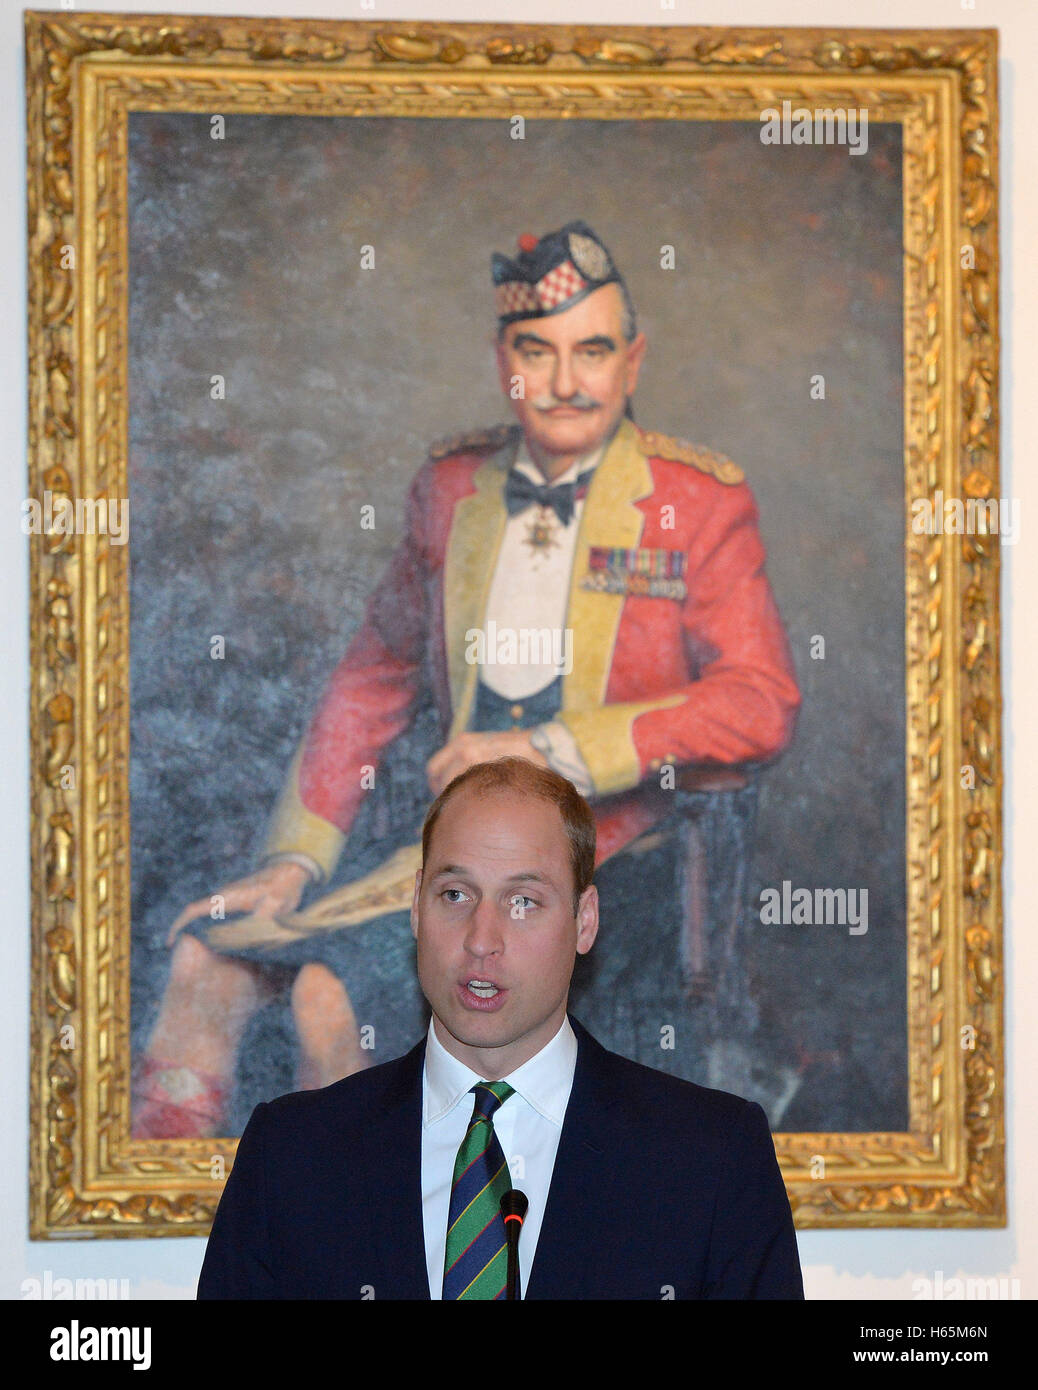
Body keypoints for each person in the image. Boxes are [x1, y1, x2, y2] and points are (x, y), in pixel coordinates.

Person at [135, 220, 800, 1138]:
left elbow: (759, 701)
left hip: (607, 859)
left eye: (593, 351)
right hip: (444, 854)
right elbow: (373, 676)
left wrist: (552, 750)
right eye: (539, 351)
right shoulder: (452, 489)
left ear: (633, 362)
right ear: (503, 364)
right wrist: (293, 860)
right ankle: (173, 1245)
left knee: (327, 996)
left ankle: (365, 1259)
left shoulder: (699, 500)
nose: (566, 382)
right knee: (199, 969)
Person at [197, 757, 804, 1300]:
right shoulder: (293, 1154)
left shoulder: (712, 1157)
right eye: (456, 894)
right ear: (414, 907)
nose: (481, 940)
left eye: (523, 902)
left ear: (584, 920)